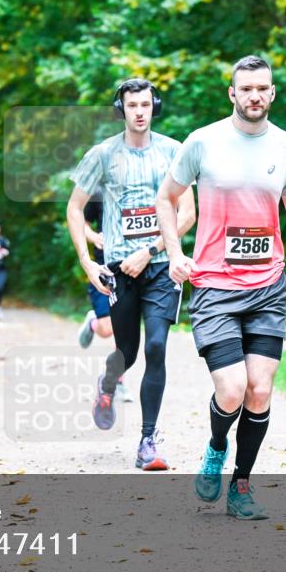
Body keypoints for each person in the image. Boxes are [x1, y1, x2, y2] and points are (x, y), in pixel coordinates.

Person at [155, 55, 286, 518]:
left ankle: (241, 484)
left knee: (260, 389)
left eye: (263, 88)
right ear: (232, 94)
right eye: (246, 89)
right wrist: (176, 254)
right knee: (233, 389)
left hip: (268, 287)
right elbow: (166, 198)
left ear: (272, 93)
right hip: (215, 286)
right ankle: (217, 446)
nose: (255, 96)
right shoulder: (203, 142)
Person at [66, 78, 195, 471]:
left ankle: (147, 442)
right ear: (121, 109)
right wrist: (88, 262)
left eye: (145, 104)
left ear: (154, 106)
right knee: (127, 352)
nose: (140, 111)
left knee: (156, 347)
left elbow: (187, 213)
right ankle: (107, 384)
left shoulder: (175, 152)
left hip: (160, 266)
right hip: (118, 269)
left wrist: (152, 249)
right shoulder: (102, 154)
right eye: (132, 105)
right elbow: (74, 209)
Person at [78, 199, 132, 403]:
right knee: (106, 329)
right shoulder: (100, 191)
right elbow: (79, 219)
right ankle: (93, 322)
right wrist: (93, 237)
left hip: (130, 267)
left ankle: (118, 382)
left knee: (123, 331)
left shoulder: (141, 186)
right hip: (103, 268)